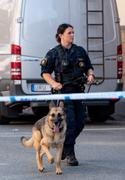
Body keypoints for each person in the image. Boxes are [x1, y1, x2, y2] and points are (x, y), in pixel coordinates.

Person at [40, 23, 94, 166]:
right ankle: (70, 154)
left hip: (79, 91)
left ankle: (64, 146)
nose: (72, 35)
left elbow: (89, 67)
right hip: (63, 92)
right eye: (69, 33)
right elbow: (45, 72)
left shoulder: (80, 51)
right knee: (69, 122)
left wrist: (90, 76)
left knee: (80, 122)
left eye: (73, 32)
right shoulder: (53, 53)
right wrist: (53, 83)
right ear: (61, 35)